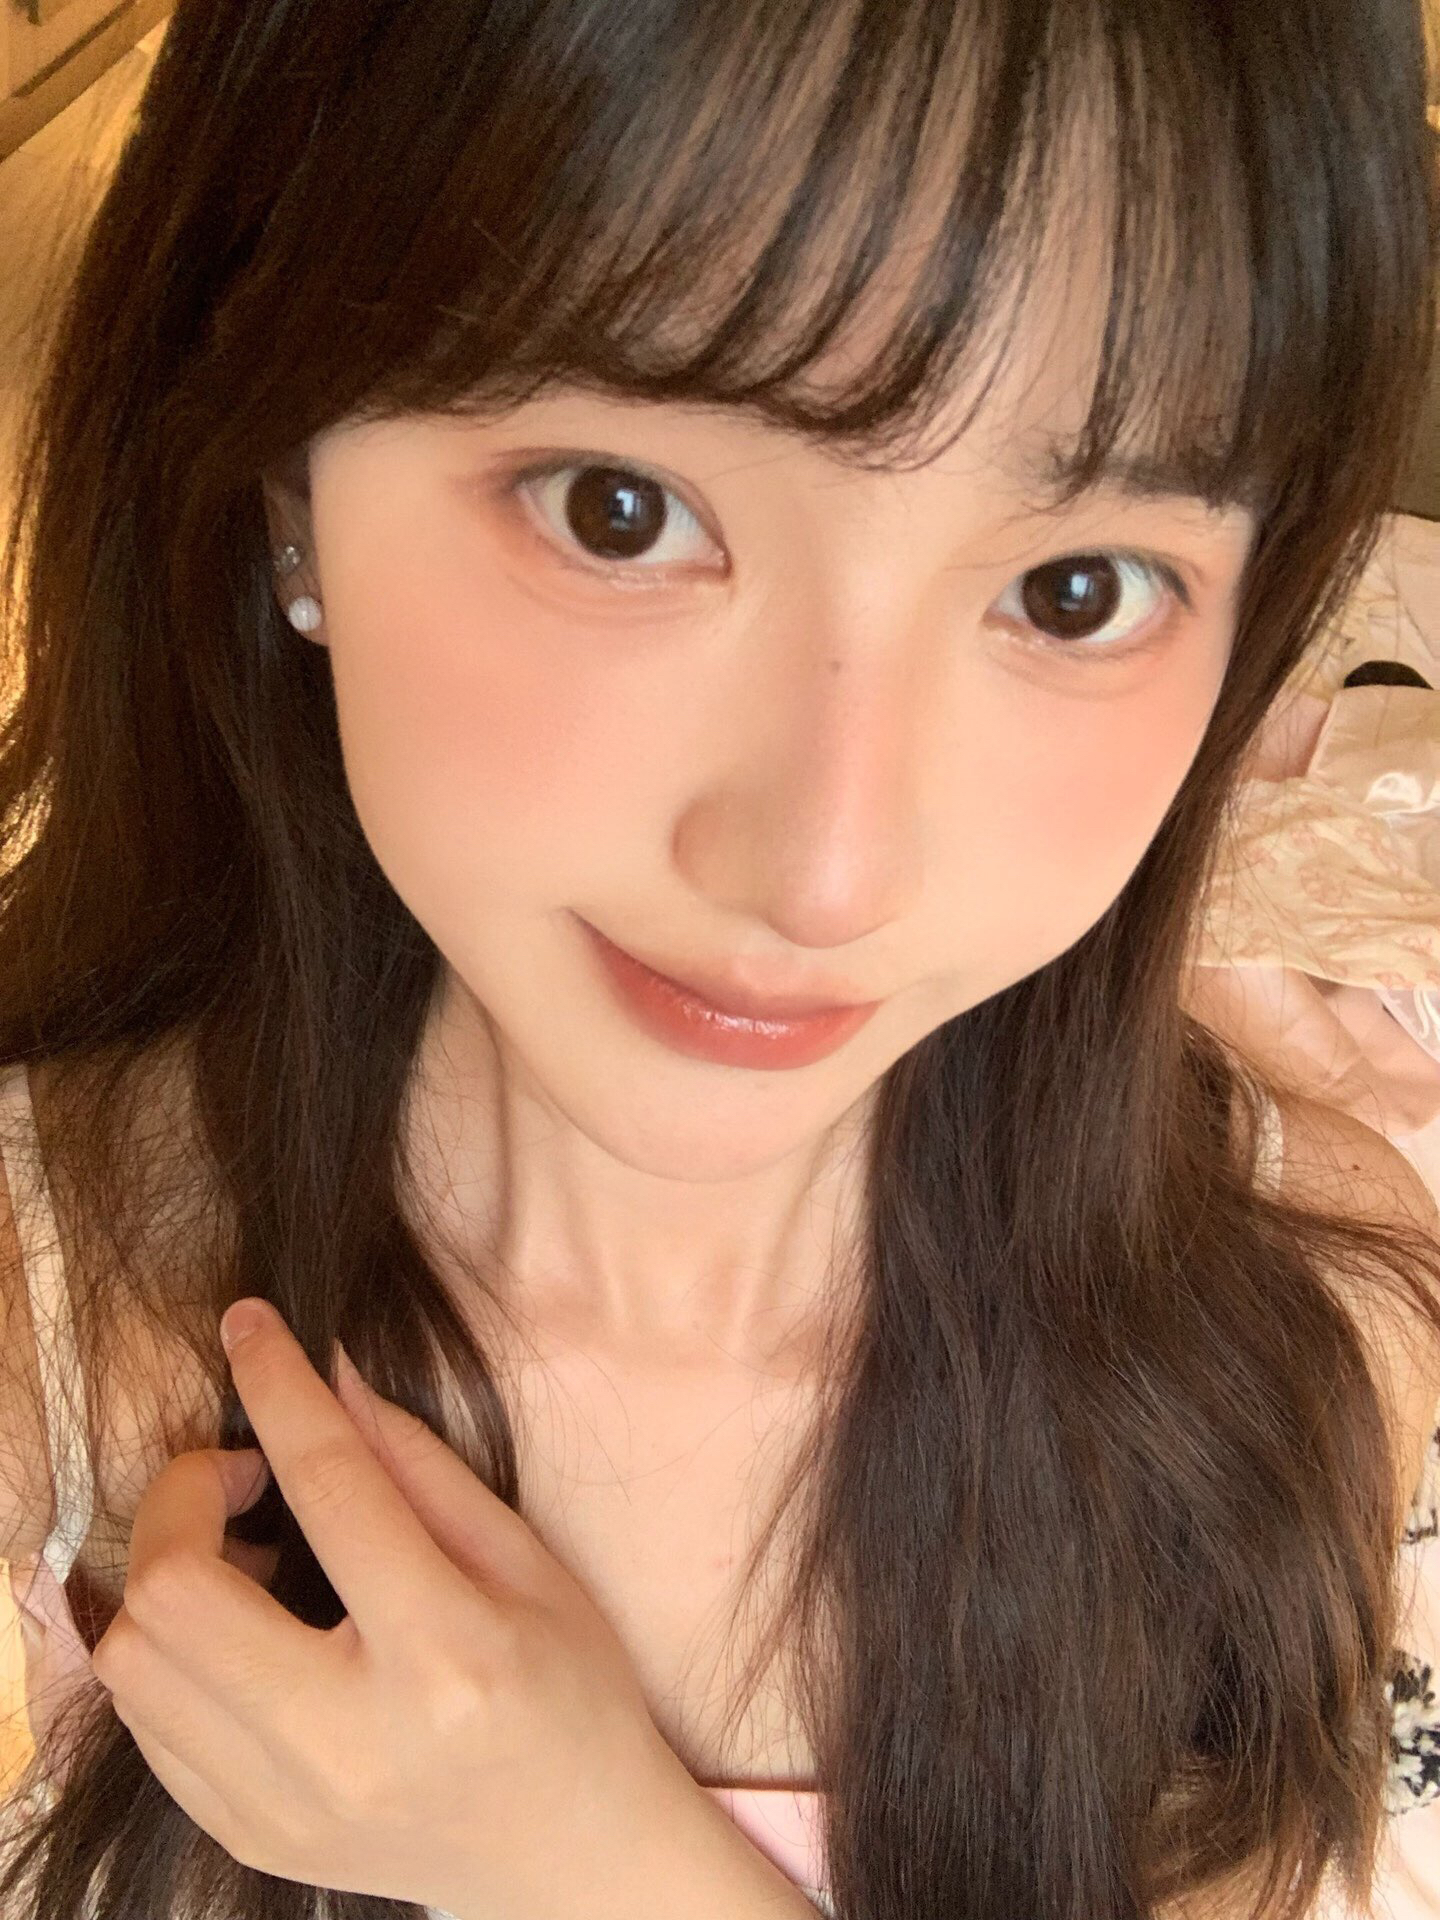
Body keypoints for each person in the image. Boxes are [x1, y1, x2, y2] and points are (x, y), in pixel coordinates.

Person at [0, 1, 1437, 1915]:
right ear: (289, 491)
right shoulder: (51, 1324)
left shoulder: (1299, 1325)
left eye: (1074, 590)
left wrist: (590, 1858)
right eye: (622, 513)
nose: (829, 875)